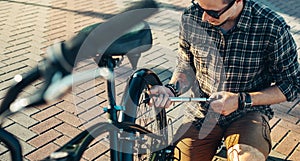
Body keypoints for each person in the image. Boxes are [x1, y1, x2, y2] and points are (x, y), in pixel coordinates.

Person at [148, 0, 299, 160]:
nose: (204, 17)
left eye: (213, 13)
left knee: (247, 158)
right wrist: (171, 89)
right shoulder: (192, 16)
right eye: (200, 7)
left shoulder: (272, 26)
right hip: (202, 113)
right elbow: (186, 65)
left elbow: (292, 85)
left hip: (247, 113)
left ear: (238, 1)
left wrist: (241, 100)